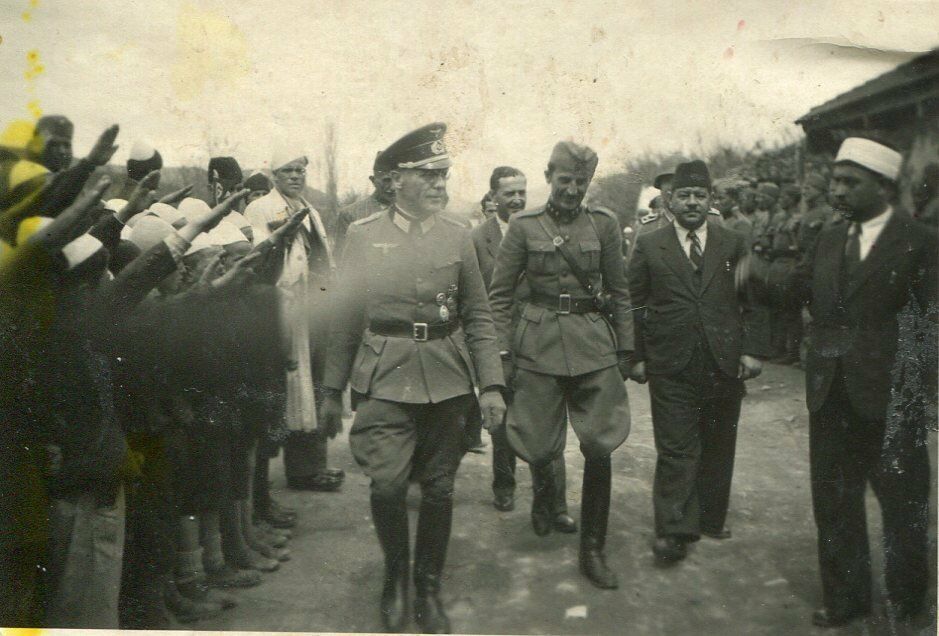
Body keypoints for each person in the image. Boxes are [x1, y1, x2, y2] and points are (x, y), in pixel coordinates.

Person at [318, 123, 506, 634]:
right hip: (383, 376)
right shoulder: (362, 237)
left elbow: (479, 316)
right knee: (386, 486)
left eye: (444, 175)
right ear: (396, 180)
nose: (440, 185)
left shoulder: (457, 236)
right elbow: (345, 320)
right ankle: (396, 578)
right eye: (429, 176)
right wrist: (331, 391)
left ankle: (427, 586)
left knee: (441, 489)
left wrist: (490, 386)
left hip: (446, 378)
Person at [785, 137, 936, 628]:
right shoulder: (829, 238)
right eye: (836, 181)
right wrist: (743, 273)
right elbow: (798, 286)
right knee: (833, 503)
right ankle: (846, 599)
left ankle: (907, 605)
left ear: (884, 187)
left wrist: (926, 397)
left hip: (893, 400)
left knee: (903, 508)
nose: (839, 191)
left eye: (851, 182)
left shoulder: (920, 241)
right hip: (830, 394)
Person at [488, 140, 632, 590]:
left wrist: (625, 350)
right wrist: (503, 354)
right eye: (565, 180)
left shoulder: (604, 224)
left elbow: (621, 291)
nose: (572, 190)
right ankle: (545, 496)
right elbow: (499, 296)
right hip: (539, 343)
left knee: (600, 446)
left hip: (592, 344)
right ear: (549, 177)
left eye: (581, 182)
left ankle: (593, 546)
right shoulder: (525, 226)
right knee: (537, 438)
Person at [627, 160, 767, 563]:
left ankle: (709, 516)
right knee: (676, 447)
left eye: (699, 196)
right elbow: (634, 303)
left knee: (720, 443)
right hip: (670, 362)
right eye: (684, 195)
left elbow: (752, 301)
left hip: (723, 360)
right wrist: (635, 356)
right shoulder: (651, 244)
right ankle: (673, 529)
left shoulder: (733, 242)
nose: (692, 202)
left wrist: (752, 350)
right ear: (669, 201)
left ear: (710, 200)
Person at [470, 166, 575, 533]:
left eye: (521, 192)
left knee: (548, 422)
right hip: (498, 341)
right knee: (502, 421)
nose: (516, 199)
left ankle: (554, 504)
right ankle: (504, 485)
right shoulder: (478, 238)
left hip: (540, 340)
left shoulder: (541, 229)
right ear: (493, 196)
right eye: (508, 193)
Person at [245, 147, 344, 492]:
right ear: (274, 175)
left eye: (300, 169)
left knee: (316, 385)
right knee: (291, 390)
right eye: (288, 170)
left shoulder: (309, 208)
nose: (295, 176)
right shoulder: (261, 208)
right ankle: (295, 472)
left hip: (315, 309)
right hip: (286, 308)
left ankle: (312, 466)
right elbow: (259, 260)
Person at [332, 151, 395, 255]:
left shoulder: (411, 212)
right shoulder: (350, 215)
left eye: (397, 180)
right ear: (373, 180)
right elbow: (341, 263)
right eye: (386, 180)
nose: (392, 187)